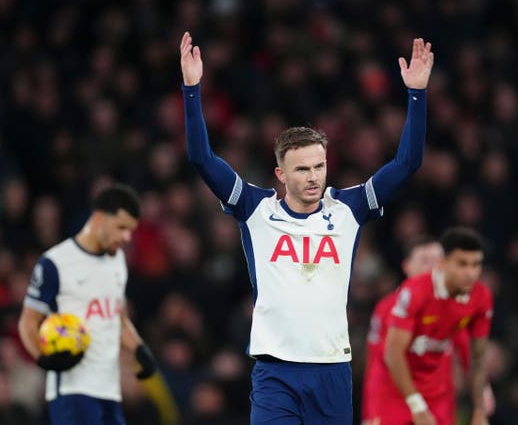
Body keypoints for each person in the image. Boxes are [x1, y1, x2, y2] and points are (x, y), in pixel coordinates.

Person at [180, 31, 434, 425]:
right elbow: (201, 158)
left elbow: (406, 165)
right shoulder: (255, 208)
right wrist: (192, 88)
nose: (314, 177)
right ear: (281, 173)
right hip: (275, 371)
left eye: (319, 166)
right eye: (302, 169)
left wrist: (416, 95)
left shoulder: (348, 207)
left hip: (331, 370)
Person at [18, 183, 157, 425]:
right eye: (121, 227)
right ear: (100, 218)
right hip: (72, 390)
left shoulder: (118, 262)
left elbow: (116, 317)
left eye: (130, 230)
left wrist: (139, 349)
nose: (126, 237)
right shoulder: (55, 262)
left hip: (109, 390)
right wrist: (42, 358)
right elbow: (28, 321)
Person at [382, 227, 494, 425]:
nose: (470, 273)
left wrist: (480, 410)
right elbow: (392, 352)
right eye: (462, 264)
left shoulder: (481, 297)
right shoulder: (414, 292)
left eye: (476, 265)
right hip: (398, 392)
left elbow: (477, 357)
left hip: (438, 394)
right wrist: (417, 405)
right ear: (443, 264)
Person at [362, 236, 444, 423]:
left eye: (438, 261)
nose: (432, 268)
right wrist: (370, 414)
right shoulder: (387, 308)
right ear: (407, 266)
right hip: (393, 407)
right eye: (425, 261)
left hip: (437, 406)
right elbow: (375, 363)